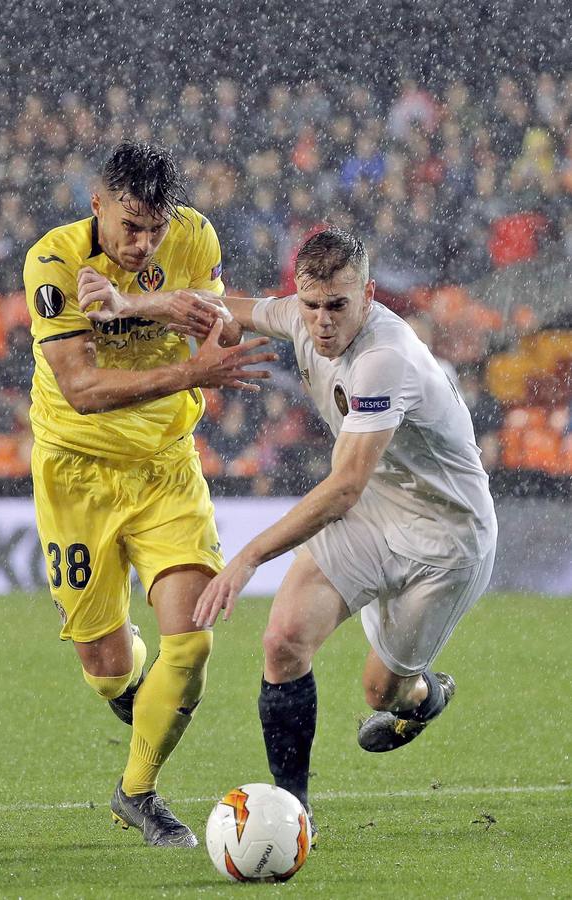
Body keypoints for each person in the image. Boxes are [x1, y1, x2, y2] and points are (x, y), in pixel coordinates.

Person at [193, 229, 498, 840]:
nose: (322, 321)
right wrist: (124, 303)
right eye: (310, 305)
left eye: (338, 305)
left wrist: (249, 556)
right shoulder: (302, 317)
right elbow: (220, 306)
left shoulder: (386, 358)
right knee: (281, 641)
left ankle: (422, 695)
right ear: (298, 297)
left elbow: (342, 489)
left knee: (380, 691)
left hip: (445, 541)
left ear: (368, 295)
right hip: (374, 519)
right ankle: (290, 814)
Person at [23, 141, 276, 848]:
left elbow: (220, 328)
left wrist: (141, 305)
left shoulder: (194, 236)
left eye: (155, 228)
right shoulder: (53, 263)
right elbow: (83, 389)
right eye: (130, 227)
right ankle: (138, 686)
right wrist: (189, 367)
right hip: (76, 475)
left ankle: (137, 793)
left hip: (166, 467)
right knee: (106, 671)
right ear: (96, 205)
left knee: (192, 643)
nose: (144, 242)